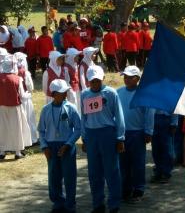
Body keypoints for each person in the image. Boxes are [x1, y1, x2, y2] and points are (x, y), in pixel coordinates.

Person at [81, 65, 125, 213]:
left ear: (103, 79)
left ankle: (114, 204)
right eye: (92, 81)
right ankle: (98, 203)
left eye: (98, 80)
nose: (95, 83)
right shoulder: (84, 94)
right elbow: (83, 117)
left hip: (107, 134)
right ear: (88, 81)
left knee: (111, 170)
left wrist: (120, 138)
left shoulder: (111, 93)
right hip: (92, 134)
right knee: (94, 172)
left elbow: (119, 116)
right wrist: (84, 138)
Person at [38, 79, 81, 213]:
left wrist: (68, 144)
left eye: (66, 91)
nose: (65, 94)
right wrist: (44, 147)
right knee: (53, 175)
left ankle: (70, 204)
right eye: (62, 92)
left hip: (67, 145)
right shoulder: (46, 110)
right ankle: (57, 202)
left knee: (69, 176)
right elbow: (41, 130)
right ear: (54, 94)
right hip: (51, 146)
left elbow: (78, 128)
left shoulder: (71, 108)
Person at [117, 66, 154, 202]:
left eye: (129, 77)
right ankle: (125, 189)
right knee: (123, 163)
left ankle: (138, 189)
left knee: (137, 163)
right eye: (125, 76)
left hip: (138, 133)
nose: (126, 79)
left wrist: (148, 131)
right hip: (122, 134)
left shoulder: (144, 93)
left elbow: (149, 114)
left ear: (137, 79)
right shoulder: (119, 92)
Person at [0, 55, 32, 160]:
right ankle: (18, 152)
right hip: (15, 107)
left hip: (2, 107)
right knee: (17, 129)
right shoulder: (17, 79)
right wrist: (29, 94)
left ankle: (2, 151)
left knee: (3, 128)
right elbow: (22, 96)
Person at [15, 52, 38, 145]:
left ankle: (22, 140)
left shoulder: (12, 72)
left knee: (20, 121)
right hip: (25, 99)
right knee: (29, 119)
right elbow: (30, 87)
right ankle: (32, 139)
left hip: (17, 100)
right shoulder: (25, 73)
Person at [150, 108, 178, 184]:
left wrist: (174, 123)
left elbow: (173, 106)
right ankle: (158, 171)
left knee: (167, 149)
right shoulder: (153, 95)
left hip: (166, 120)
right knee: (156, 149)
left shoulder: (169, 95)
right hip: (154, 118)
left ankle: (166, 172)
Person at [65, 48, 82, 113]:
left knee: (78, 104)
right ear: (72, 57)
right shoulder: (66, 68)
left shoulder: (75, 65)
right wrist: (70, 91)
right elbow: (66, 81)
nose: (78, 57)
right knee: (73, 104)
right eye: (76, 56)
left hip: (77, 88)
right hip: (71, 90)